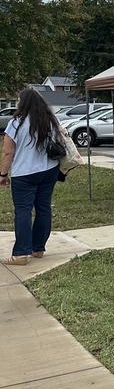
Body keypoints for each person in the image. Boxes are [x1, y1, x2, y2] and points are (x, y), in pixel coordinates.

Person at [0, 88, 61, 265]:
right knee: (43, 208)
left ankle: (20, 254)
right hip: (49, 169)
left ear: (23, 102)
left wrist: (3, 174)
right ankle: (38, 248)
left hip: (24, 173)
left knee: (23, 211)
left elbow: (7, 152)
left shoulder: (16, 123)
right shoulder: (51, 119)